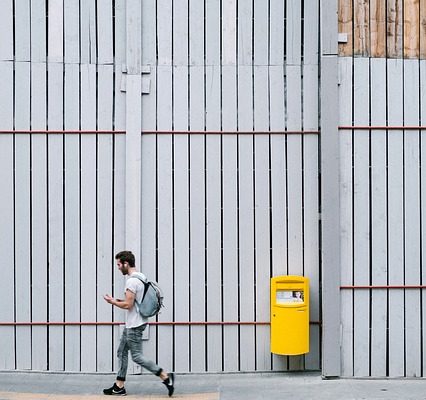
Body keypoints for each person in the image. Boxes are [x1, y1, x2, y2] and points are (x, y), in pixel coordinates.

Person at [103, 250, 175, 397]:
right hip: (134, 323)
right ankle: (119, 386)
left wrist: (112, 302)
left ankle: (165, 376)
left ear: (126, 263)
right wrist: (116, 300)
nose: (118, 267)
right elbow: (134, 302)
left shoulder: (131, 281)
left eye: (119, 264)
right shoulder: (141, 277)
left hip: (134, 325)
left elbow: (128, 305)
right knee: (121, 351)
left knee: (136, 356)